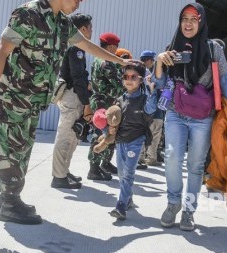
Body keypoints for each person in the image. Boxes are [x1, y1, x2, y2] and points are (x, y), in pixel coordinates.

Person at [0, 0, 137, 225]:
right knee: (10, 147)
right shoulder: (27, 14)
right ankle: (11, 202)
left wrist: (120, 61)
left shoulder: (62, 23)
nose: (78, 5)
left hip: (34, 101)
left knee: (22, 150)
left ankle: (7, 196)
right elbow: (2, 51)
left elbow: (88, 46)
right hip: (14, 96)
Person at [155, 3, 227, 231]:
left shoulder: (213, 49)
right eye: (184, 18)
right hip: (176, 112)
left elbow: (226, 80)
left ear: (201, 22)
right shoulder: (171, 48)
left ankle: (189, 211)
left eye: (194, 18)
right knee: (171, 156)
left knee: (196, 165)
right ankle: (173, 203)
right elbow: (160, 84)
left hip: (202, 116)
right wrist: (160, 61)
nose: (188, 23)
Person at [51, 13, 94, 190]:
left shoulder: (70, 46)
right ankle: (58, 177)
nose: (91, 30)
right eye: (90, 27)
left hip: (71, 94)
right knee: (66, 136)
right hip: (72, 95)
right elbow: (78, 78)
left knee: (72, 137)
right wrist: (86, 104)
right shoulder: (76, 48)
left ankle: (63, 171)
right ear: (82, 29)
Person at [109, 64, 157, 220]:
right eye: (126, 77)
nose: (129, 80)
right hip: (120, 141)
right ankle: (128, 199)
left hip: (136, 141)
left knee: (128, 173)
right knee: (121, 173)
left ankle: (120, 205)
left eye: (133, 77)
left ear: (141, 80)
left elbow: (151, 109)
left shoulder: (144, 99)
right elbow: (113, 119)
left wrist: (151, 89)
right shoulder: (120, 99)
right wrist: (108, 132)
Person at [87, 32, 123, 180]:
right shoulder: (107, 62)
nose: (116, 50)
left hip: (104, 102)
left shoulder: (97, 59)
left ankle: (105, 163)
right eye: (116, 47)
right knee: (100, 135)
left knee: (111, 133)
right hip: (104, 104)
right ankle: (94, 169)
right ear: (111, 46)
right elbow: (119, 85)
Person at [138, 50, 165, 167]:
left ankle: (142, 157)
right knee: (155, 133)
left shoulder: (138, 71)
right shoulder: (155, 72)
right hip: (156, 108)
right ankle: (151, 158)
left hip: (143, 108)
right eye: (152, 60)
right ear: (149, 60)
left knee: (144, 132)